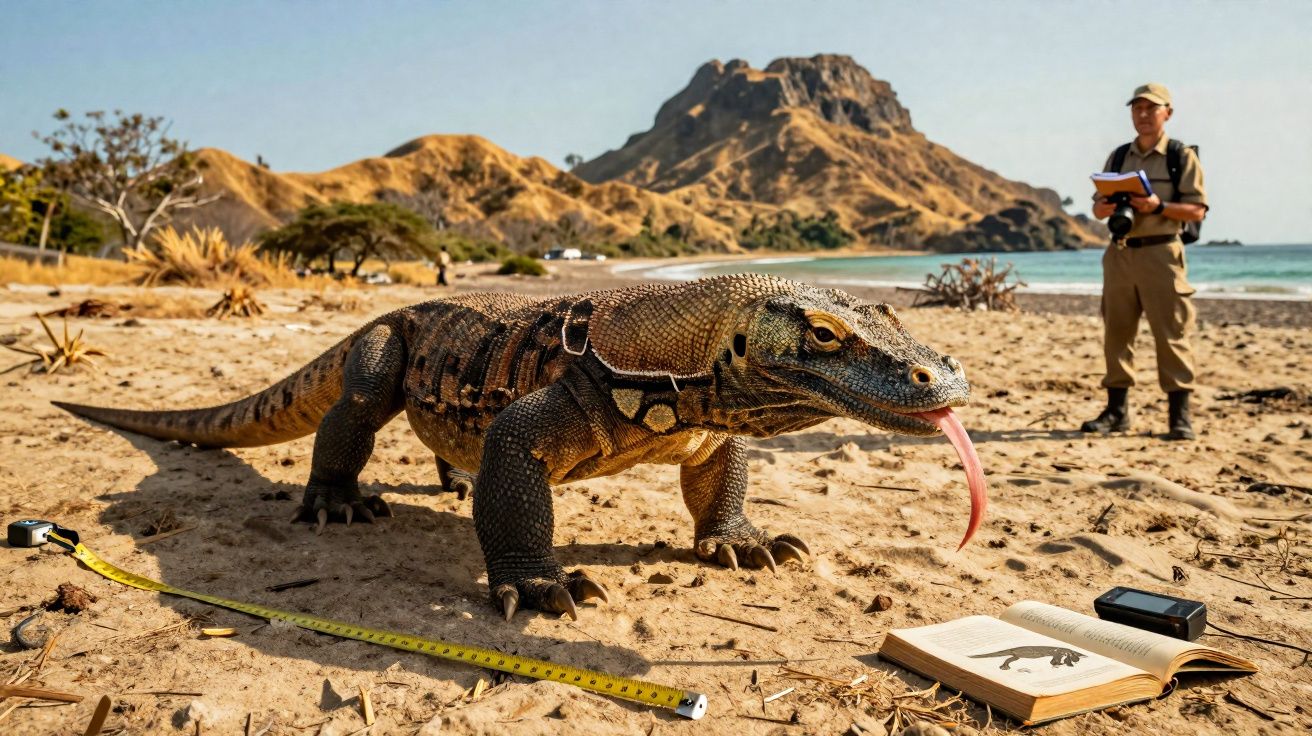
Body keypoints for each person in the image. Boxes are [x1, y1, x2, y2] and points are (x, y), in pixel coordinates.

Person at [1081, 83, 1208, 441]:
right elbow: (1096, 206)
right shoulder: (1119, 156)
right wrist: (1103, 208)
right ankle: (1117, 412)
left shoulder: (1181, 156)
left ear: (1168, 112)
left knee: (1172, 333)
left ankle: (1179, 418)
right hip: (1120, 251)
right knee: (1117, 333)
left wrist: (1158, 207)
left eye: (1151, 108)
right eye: (1137, 108)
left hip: (1162, 252)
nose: (1143, 115)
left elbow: (1197, 209)